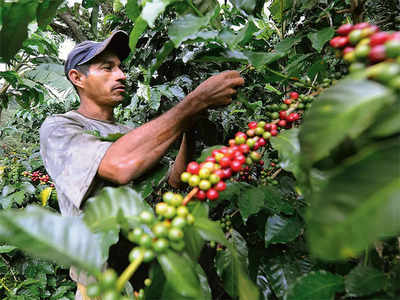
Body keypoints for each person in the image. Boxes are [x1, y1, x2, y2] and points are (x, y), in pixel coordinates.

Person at [39, 30, 244, 299]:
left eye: (120, 68)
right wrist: (195, 101)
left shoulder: (128, 132)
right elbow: (119, 165)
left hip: (149, 267)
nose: (121, 75)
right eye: (107, 68)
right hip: (104, 282)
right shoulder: (60, 127)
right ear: (77, 78)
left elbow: (176, 181)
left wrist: (189, 127)